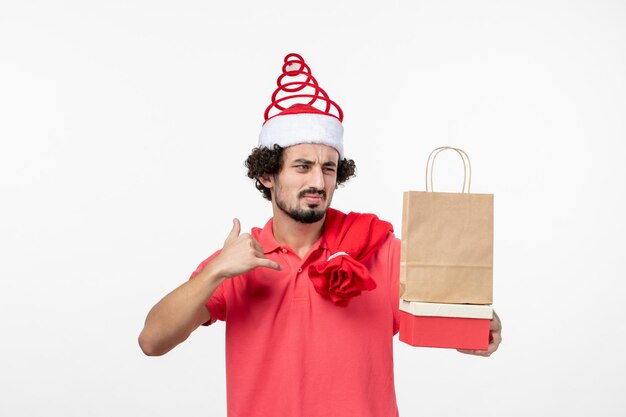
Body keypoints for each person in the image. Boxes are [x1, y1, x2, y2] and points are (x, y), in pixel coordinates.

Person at [138, 53, 502, 417]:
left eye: (328, 168)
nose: (318, 181)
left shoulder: (382, 252)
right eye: (302, 166)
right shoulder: (239, 259)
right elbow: (153, 341)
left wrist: (480, 329)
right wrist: (216, 269)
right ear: (267, 175)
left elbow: (446, 314)